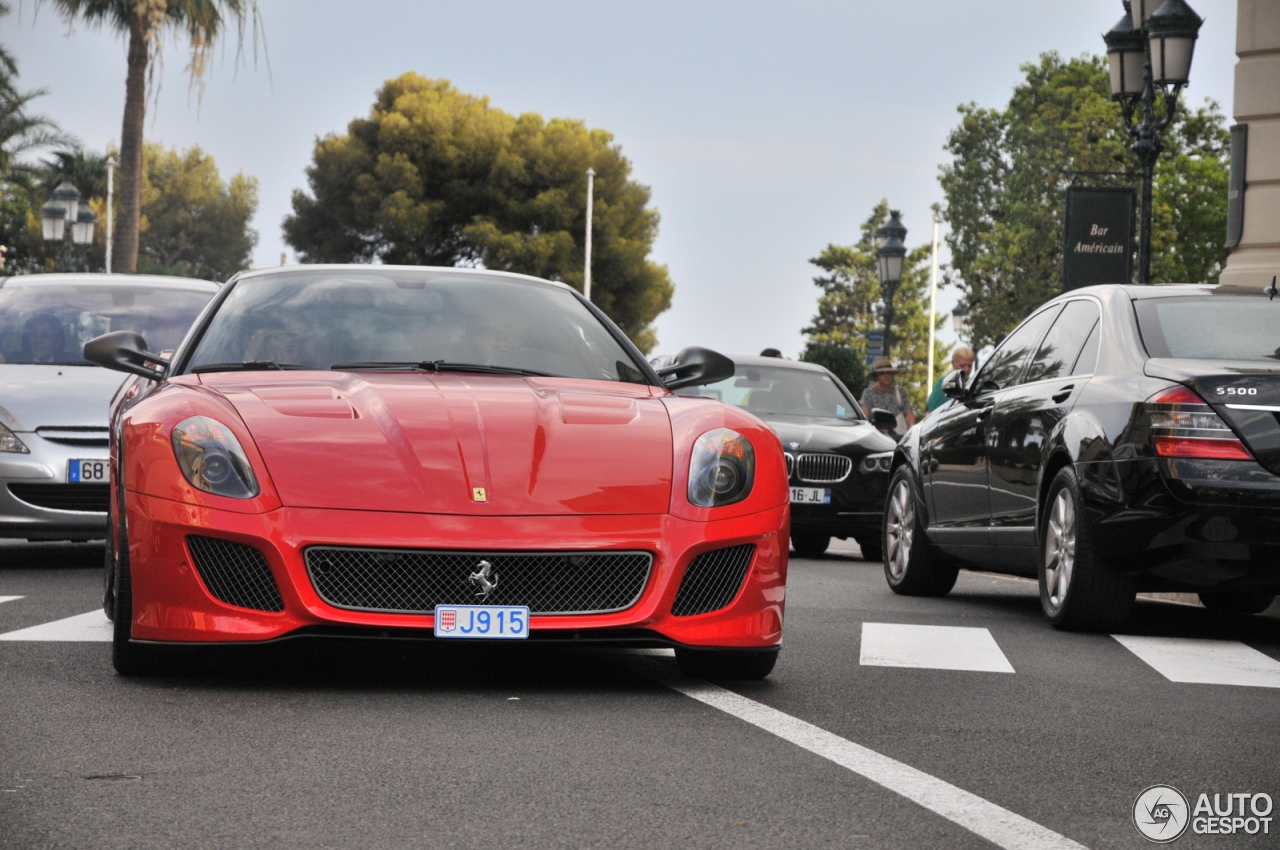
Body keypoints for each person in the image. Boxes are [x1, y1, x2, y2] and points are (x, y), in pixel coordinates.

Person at [860, 357, 915, 435]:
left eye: (888, 372)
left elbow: (909, 416)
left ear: (892, 374)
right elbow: (865, 417)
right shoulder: (869, 394)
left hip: (899, 437)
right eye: (882, 373)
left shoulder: (900, 392)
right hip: (877, 437)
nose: (886, 375)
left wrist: (912, 433)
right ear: (876, 376)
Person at [925, 346, 976, 412]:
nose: (966, 369)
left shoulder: (975, 385)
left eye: (970, 366)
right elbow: (929, 413)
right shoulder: (942, 384)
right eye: (962, 366)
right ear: (953, 363)